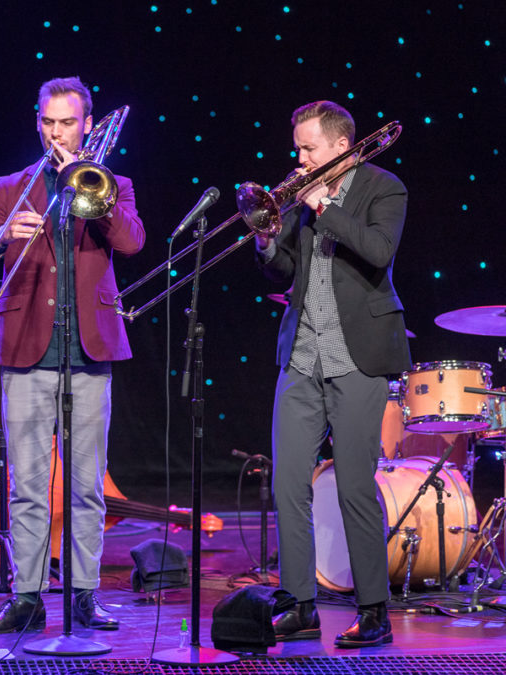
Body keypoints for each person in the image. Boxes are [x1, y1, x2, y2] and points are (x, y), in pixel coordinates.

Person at [0, 77, 144, 633]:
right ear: (37, 121)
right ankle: (28, 595)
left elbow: (132, 241)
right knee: (28, 486)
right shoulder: (9, 186)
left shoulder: (114, 183)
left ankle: (84, 593)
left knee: (87, 485)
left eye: (66, 122)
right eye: (48, 122)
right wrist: (1, 238)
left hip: (88, 352)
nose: (56, 132)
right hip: (24, 349)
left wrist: (94, 192)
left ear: (87, 125)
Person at [255, 100, 409, 648]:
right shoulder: (299, 196)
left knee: (352, 488)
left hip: (359, 357)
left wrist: (325, 206)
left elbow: (378, 251)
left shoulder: (384, 188)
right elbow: (290, 269)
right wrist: (268, 237)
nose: (298, 159)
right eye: (297, 148)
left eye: (308, 148)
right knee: (287, 483)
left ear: (341, 147)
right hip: (300, 356)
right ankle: (300, 604)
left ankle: (373, 610)